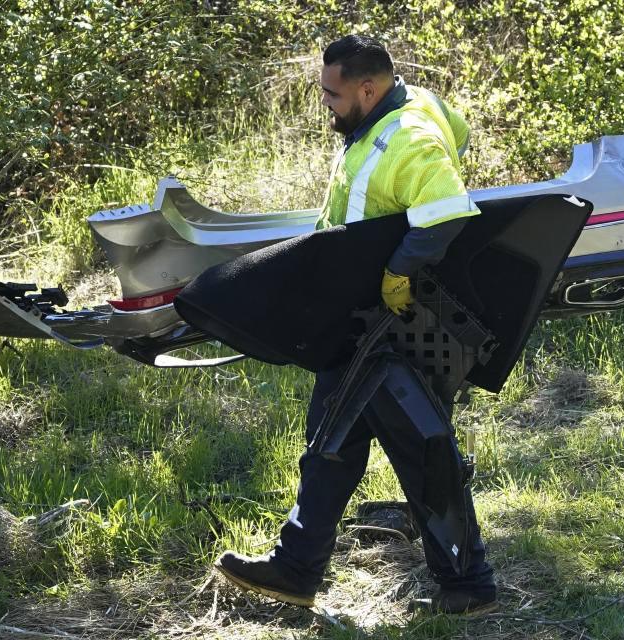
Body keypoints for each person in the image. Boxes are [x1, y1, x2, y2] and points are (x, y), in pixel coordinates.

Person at [214, 34, 497, 615]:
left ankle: (468, 584)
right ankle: (301, 569)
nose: (327, 105)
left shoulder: (409, 136)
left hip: (387, 322)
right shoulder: (403, 108)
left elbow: (446, 212)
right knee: (334, 445)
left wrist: (399, 270)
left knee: (416, 450)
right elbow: (453, 140)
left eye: (333, 95)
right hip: (361, 317)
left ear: (368, 89)